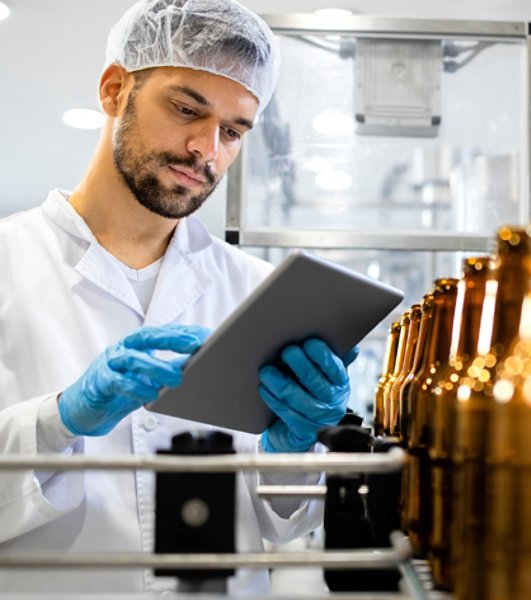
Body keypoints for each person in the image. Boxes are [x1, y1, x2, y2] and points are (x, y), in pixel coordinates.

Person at [0, 0, 358, 594]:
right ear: (115, 89)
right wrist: (58, 420)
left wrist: (292, 450)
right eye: (187, 108)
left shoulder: (255, 291)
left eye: (232, 130)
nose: (206, 149)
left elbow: (280, 523)